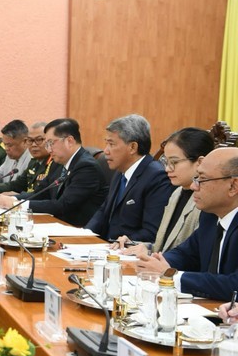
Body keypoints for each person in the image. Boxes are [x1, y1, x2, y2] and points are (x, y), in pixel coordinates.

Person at [136, 147, 238, 301]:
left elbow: (234, 285)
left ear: (233, 186)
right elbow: (187, 254)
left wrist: (172, 276)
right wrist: (157, 262)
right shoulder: (210, 216)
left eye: (201, 179)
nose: (193, 186)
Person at [116, 127, 215, 255]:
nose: (167, 169)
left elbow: (192, 256)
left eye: (174, 162)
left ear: (199, 162)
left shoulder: (207, 202)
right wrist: (137, 245)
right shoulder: (176, 193)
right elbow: (164, 246)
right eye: (166, 162)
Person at [0, 118, 107, 227]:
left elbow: (63, 205)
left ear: (69, 141)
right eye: (47, 144)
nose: (49, 149)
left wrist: (17, 205)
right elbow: (40, 193)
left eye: (51, 143)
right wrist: (13, 199)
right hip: (57, 225)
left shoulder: (86, 167)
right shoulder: (58, 163)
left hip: (79, 232)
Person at [85, 114, 174, 243]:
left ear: (132, 147)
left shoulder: (157, 177)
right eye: (106, 144)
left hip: (127, 253)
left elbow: (152, 232)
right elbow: (104, 211)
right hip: (106, 248)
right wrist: (85, 235)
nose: (106, 151)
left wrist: (119, 244)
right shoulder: (121, 171)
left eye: (111, 144)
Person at [0, 121, 63, 197]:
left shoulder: (56, 164)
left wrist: (18, 197)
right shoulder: (33, 162)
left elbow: (43, 195)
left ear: (48, 141)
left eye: (39, 140)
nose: (33, 145)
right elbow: (17, 184)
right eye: (30, 140)